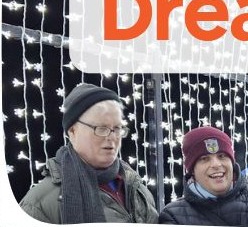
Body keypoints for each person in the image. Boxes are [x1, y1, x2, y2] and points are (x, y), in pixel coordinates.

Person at [19, 83, 158, 224]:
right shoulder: (38, 205)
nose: (112, 137)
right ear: (72, 131)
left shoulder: (137, 188)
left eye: (117, 128)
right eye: (101, 128)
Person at [159, 125, 248, 226]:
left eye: (222, 156)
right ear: (192, 170)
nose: (216, 164)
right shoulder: (173, 215)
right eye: (204, 158)